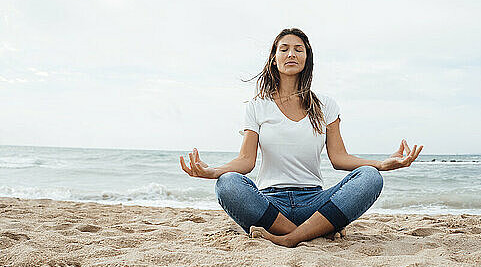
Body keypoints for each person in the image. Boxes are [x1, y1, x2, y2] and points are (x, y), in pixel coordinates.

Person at [179, 28, 424, 248]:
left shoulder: (325, 105)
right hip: (270, 205)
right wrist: (211, 172)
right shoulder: (257, 106)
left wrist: (382, 164)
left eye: (298, 49)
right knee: (227, 184)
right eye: (283, 49)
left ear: (307, 59)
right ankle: (312, 233)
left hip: (315, 202)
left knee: (370, 177)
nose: (291, 54)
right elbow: (246, 161)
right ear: (274, 60)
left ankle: (289, 238)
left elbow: (339, 158)